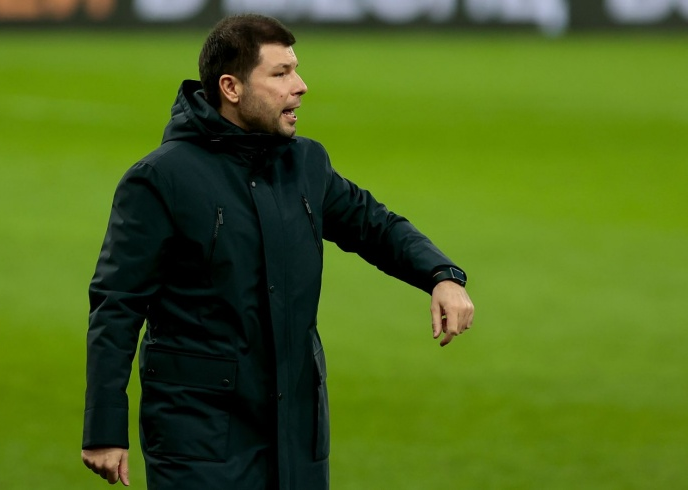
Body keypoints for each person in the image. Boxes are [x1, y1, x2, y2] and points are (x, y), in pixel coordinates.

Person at [81, 13, 474, 490]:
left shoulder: (305, 163)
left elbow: (375, 226)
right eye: (281, 73)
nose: (301, 86)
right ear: (231, 87)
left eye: (296, 70)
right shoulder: (161, 179)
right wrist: (104, 428)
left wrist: (441, 274)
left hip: (296, 430)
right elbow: (117, 304)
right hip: (200, 438)